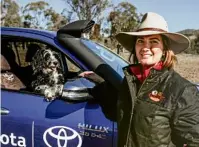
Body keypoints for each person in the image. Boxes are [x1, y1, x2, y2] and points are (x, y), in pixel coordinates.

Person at [79, 12, 199, 147]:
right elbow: (118, 115)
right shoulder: (130, 81)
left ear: (164, 48)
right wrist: (100, 83)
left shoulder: (182, 90)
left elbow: (194, 141)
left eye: (154, 41)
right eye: (140, 41)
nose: (145, 47)